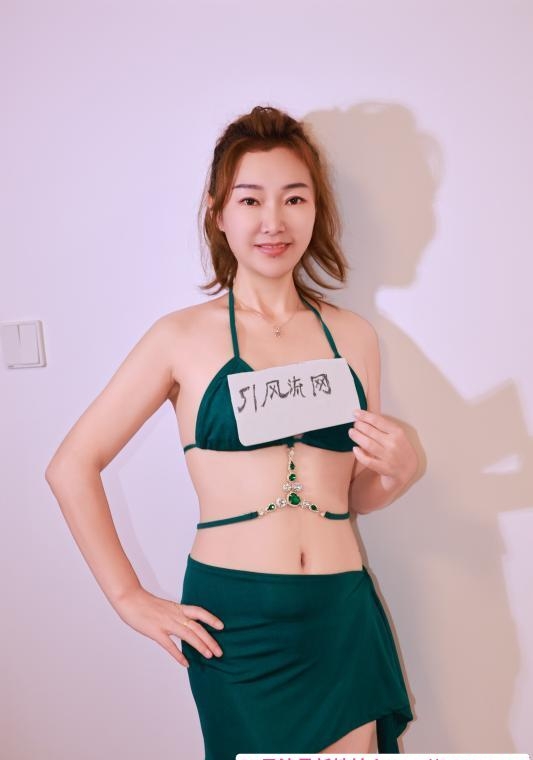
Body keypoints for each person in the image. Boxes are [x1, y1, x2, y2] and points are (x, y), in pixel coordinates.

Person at [45, 104, 419, 757]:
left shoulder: (353, 336)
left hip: (341, 614)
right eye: (251, 200)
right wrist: (127, 596)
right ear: (219, 214)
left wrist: (399, 473)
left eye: (294, 198)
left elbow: (351, 495)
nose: (273, 221)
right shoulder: (179, 338)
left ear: (316, 211)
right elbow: (71, 464)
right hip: (237, 625)